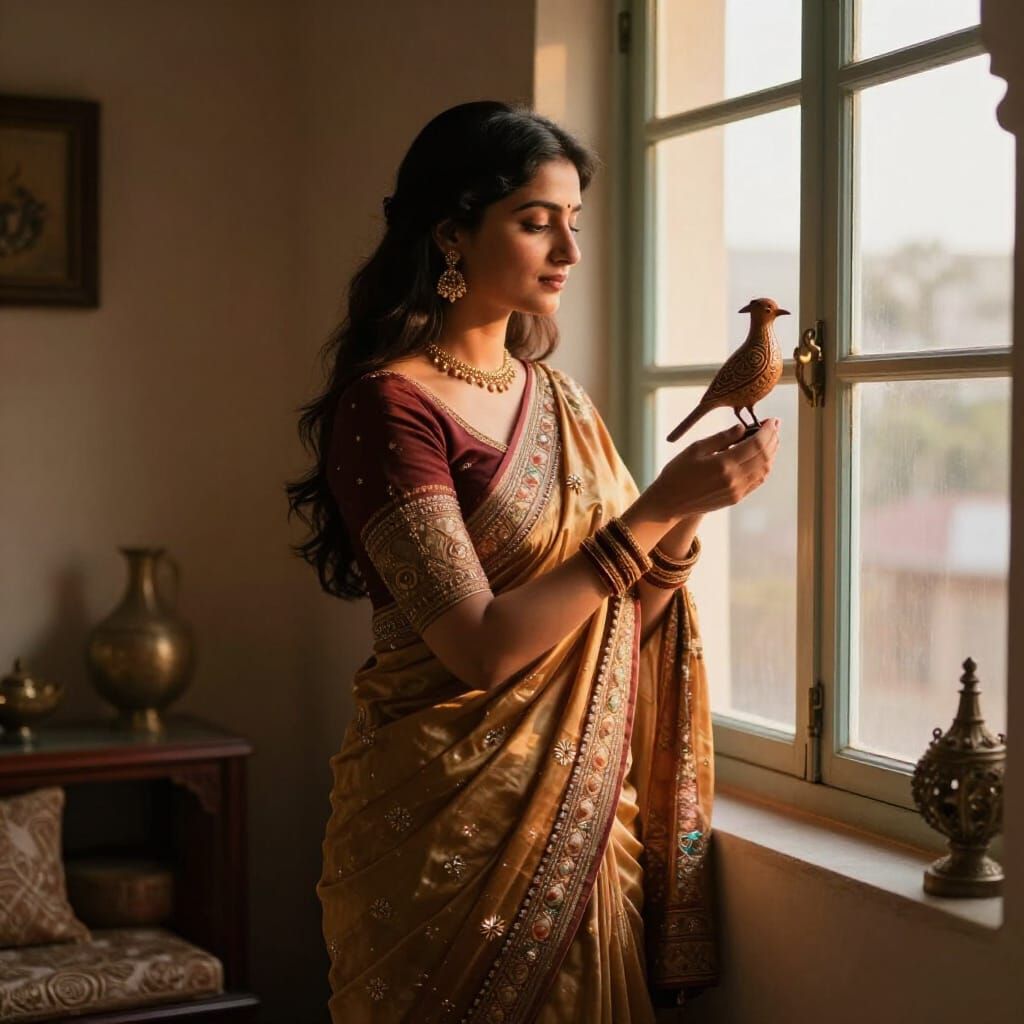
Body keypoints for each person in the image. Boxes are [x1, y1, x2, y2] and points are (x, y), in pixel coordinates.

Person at [286, 99, 780, 1023]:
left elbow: (620, 620)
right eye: (535, 221)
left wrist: (679, 528)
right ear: (451, 235)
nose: (569, 251)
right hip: (440, 835)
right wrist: (662, 506)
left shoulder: (561, 400)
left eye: (574, 224)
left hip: (582, 819)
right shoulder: (388, 410)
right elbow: (481, 649)